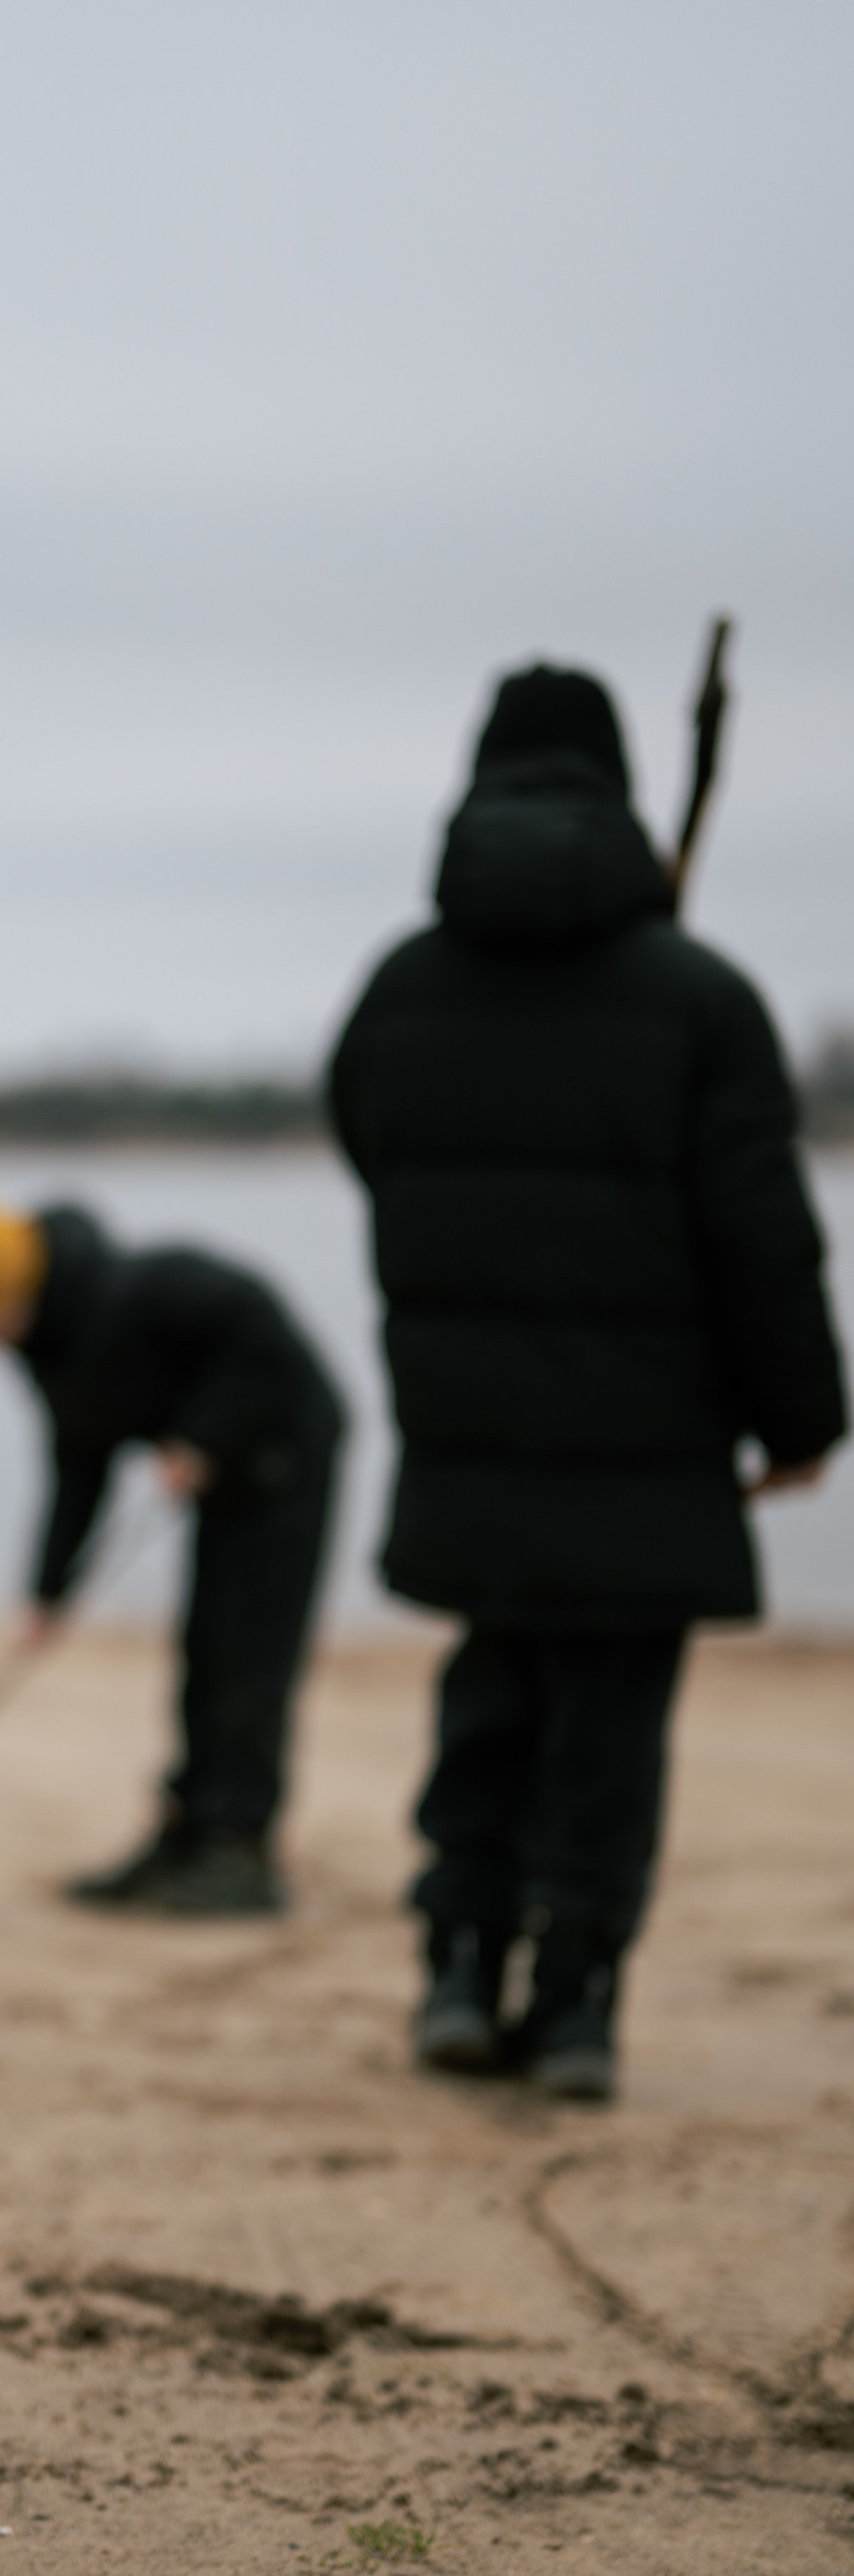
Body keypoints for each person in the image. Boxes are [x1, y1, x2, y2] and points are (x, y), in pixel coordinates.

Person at [331, 664, 845, 2101]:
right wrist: (803, 1418)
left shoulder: (404, 984)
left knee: (490, 1695)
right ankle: (574, 2003)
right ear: (622, 788)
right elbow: (763, 1233)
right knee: (610, 1730)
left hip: (472, 1427)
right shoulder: (700, 996)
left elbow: (375, 1143)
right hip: (649, 1440)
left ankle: (455, 1964)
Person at [0, 1164, 343, 1914]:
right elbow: (77, 1469)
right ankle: (191, 1827)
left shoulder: (138, 1290)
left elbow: (263, 1332)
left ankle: (240, 1849)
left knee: (248, 1652)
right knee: (204, 1648)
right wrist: (48, 1594)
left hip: (288, 1454)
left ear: (9, 1288)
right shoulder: (48, 1348)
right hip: (227, 1481)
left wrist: (200, 1436)